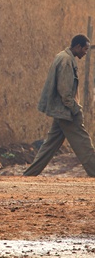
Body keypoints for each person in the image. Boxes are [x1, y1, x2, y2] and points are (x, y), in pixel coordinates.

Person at [24, 34, 95, 177]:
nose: (85, 52)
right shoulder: (67, 61)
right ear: (77, 47)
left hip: (61, 111)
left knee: (49, 147)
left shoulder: (63, 57)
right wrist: (76, 109)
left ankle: (29, 175)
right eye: (85, 49)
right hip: (67, 112)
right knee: (84, 144)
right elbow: (65, 92)